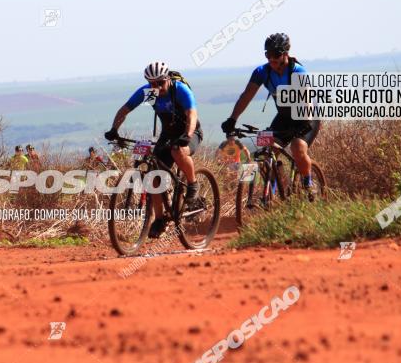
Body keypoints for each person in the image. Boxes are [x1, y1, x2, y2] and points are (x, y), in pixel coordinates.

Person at [105, 61, 203, 238]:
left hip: (190, 131)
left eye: (160, 82)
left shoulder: (179, 89)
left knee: (177, 151)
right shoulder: (150, 92)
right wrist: (114, 129)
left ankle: (192, 183)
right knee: (153, 176)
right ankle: (160, 219)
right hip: (167, 134)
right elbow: (125, 109)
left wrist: (187, 135)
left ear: (167, 79)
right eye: (152, 83)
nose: (157, 87)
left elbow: (192, 114)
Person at [221, 33, 321, 199]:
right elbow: (246, 96)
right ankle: (272, 191)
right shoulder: (262, 72)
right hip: (283, 117)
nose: (271, 59)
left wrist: (305, 121)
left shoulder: (297, 71)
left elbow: (307, 99)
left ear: (285, 54)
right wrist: (232, 119)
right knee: (265, 151)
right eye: (268, 54)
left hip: (306, 116)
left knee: (297, 147)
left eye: (276, 55)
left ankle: (308, 183)